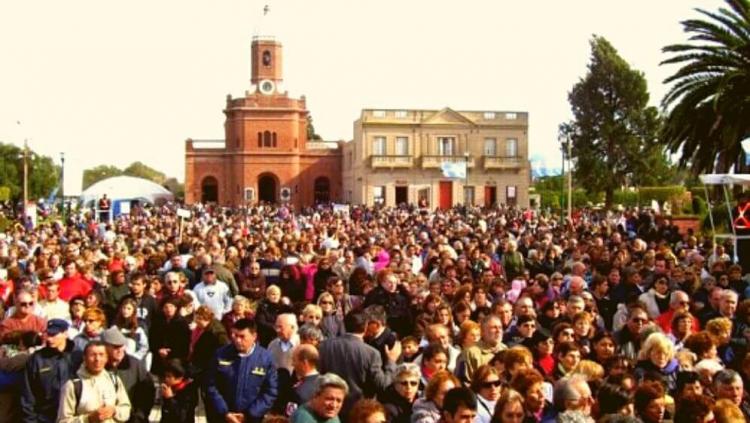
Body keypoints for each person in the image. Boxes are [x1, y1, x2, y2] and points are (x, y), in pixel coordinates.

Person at [318, 310, 401, 417]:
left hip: (329, 406)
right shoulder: (371, 353)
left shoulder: (325, 346)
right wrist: (391, 362)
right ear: (366, 327)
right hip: (357, 411)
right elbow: (382, 384)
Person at [205, 318, 278, 423]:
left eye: (242, 336)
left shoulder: (265, 359)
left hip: (252, 419)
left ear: (254, 336)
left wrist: (249, 414)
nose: (237, 340)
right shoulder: (221, 354)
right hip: (222, 417)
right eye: (235, 335)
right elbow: (210, 385)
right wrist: (225, 412)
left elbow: (270, 391)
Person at [21, 319, 81, 422]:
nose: (49, 339)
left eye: (53, 335)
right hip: (45, 418)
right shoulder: (37, 359)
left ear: (65, 333)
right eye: (48, 334)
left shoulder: (78, 356)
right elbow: (28, 395)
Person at [57, 341, 132, 423]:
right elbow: (63, 421)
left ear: (106, 358)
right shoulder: (73, 385)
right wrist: (88, 419)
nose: (97, 359)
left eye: (101, 355)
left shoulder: (114, 380)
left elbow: (126, 409)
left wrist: (114, 411)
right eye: (93, 355)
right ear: (85, 358)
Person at [101, 327, 155, 423]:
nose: (120, 350)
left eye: (122, 346)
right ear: (105, 347)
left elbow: (147, 394)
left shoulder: (135, 365)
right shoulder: (99, 367)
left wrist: (138, 417)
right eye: (115, 347)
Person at [189, 305, 230, 383]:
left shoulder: (216, 332)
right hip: (200, 364)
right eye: (196, 318)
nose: (197, 321)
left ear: (207, 319)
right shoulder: (201, 329)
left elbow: (225, 349)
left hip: (208, 367)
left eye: (199, 319)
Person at [462, 315, 506, 381]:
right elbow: (465, 381)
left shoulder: (506, 349)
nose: (498, 331)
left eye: (500, 327)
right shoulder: (470, 353)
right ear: (482, 332)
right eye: (494, 328)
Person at [160, 359, 199, 423]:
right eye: (165, 376)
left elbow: (182, 417)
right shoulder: (169, 388)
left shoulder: (189, 392)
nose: (166, 379)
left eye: (169, 376)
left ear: (179, 378)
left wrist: (170, 399)